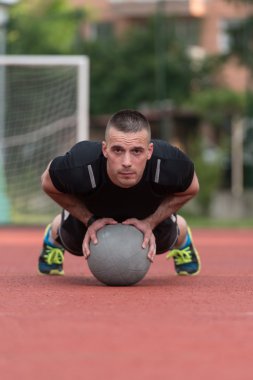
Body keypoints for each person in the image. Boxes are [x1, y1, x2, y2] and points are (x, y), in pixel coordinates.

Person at [38, 109, 200, 276]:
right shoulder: (82, 164)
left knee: (166, 239)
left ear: (150, 151)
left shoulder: (169, 163)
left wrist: (151, 222)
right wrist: (89, 219)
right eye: (117, 150)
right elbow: (47, 182)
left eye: (136, 151)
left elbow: (192, 188)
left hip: (146, 211)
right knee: (72, 241)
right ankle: (55, 234)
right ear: (105, 149)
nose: (127, 162)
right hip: (94, 210)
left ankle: (182, 236)